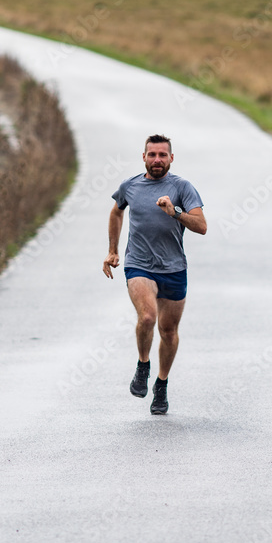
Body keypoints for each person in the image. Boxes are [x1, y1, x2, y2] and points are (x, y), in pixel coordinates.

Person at [103, 134, 206, 415]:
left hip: (174, 268)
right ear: (144, 157)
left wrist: (175, 213)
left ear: (171, 158)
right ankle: (142, 364)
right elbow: (116, 212)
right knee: (148, 316)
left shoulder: (182, 187)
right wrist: (113, 250)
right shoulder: (131, 186)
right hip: (139, 263)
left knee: (169, 331)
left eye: (163, 155)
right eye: (152, 155)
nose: (157, 160)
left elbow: (201, 226)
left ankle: (161, 386)